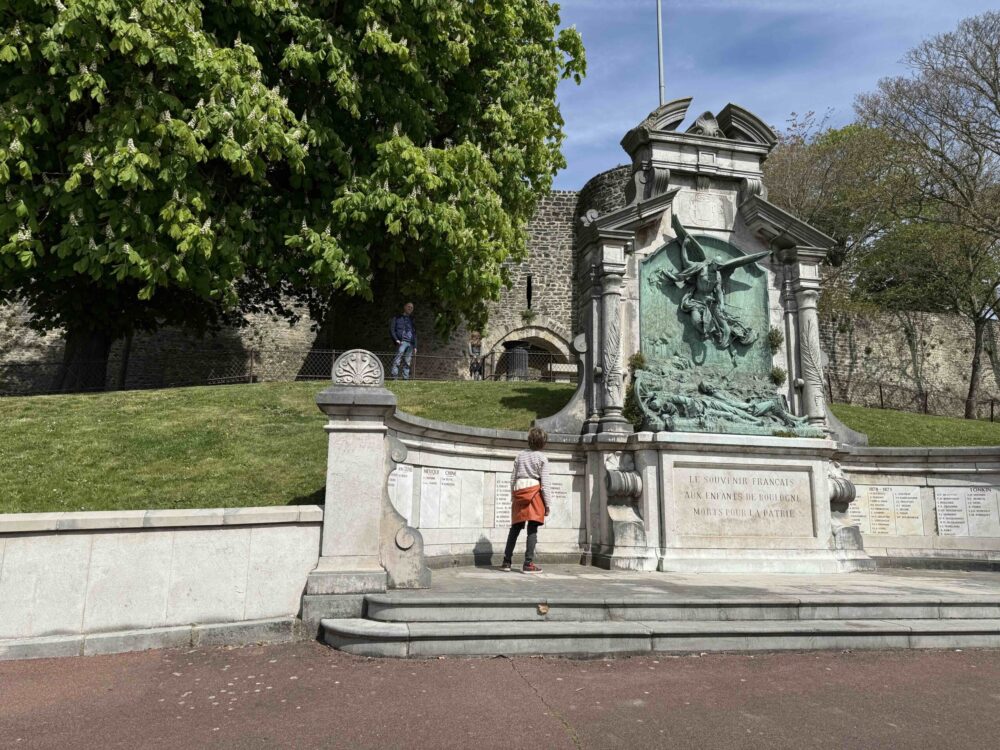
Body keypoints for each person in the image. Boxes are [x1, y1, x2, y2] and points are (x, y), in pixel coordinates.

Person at [501, 427, 551, 572]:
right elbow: (545, 484)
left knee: (515, 528)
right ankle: (528, 563)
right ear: (543, 443)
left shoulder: (520, 455)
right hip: (534, 494)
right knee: (532, 529)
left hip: (519, 492)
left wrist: (513, 495)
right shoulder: (542, 458)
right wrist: (547, 504)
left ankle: (506, 561)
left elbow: (513, 478)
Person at [389, 302, 418, 380]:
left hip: (410, 343)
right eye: (409, 306)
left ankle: (405, 379)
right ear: (404, 307)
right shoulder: (397, 317)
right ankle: (394, 378)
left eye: (412, 307)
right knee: (397, 360)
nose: (410, 308)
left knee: (407, 362)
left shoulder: (412, 319)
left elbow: (414, 333)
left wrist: (415, 346)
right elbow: (392, 329)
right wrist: (396, 340)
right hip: (402, 342)